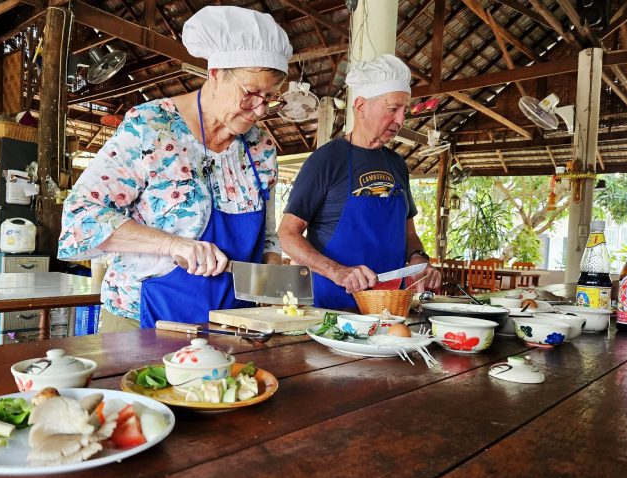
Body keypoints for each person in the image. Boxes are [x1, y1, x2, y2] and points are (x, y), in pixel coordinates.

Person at [58, 6, 293, 331]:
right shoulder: (151, 127)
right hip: (144, 319)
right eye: (251, 94)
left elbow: (267, 237)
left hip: (235, 324)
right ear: (216, 74)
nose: (260, 110)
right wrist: (173, 244)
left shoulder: (260, 147)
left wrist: (273, 276)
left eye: (270, 98)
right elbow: (81, 217)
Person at [278, 54, 440, 311]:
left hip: (389, 307)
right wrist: (338, 271)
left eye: (404, 111)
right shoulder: (326, 160)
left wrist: (418, 259)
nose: (401, 120)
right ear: (361, 106)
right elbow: (287, 234)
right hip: (332, 309)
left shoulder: (397, 164)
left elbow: (409, 233)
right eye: (393, 109)